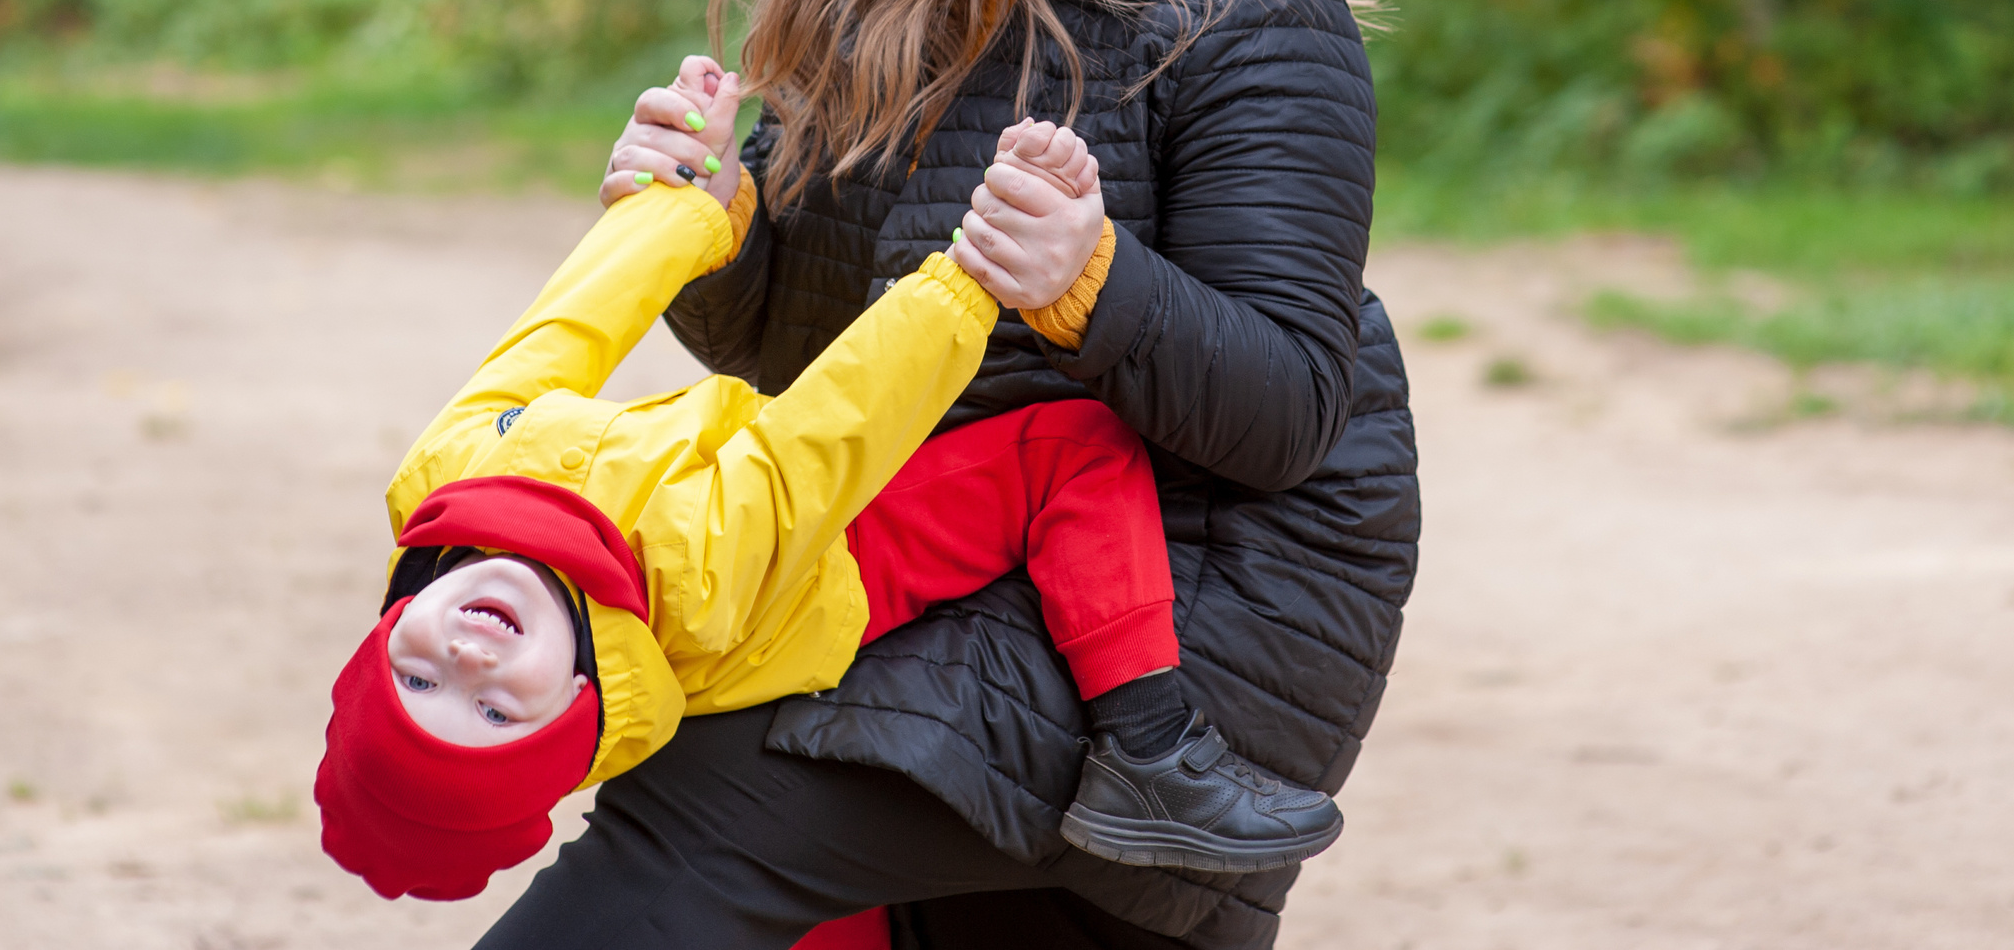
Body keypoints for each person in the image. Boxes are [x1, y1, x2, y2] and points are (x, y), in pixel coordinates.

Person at [476, 0, 1421, 950]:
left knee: (701, 819)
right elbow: (803, 368)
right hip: (931, 559)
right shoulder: (871, 15)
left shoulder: (1243, 18)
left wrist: (1093, 281)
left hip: (1193, 600)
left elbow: (1288, 411)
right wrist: (709, 223)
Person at [311, 93, 1342, 905]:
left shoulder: (441, 477)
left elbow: (558, 330)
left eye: (415, 676)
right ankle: (1151, 742)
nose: (467, 661)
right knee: (1071, 450)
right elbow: (825, 439)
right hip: (829, 558)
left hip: (760, 474)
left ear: (391, 624)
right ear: (576, 706)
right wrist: (974, 269)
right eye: (494, 711)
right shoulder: (694, 576)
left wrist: (681, 203)